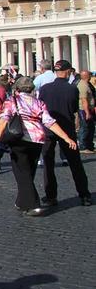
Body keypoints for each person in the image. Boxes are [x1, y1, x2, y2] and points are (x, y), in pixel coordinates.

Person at [0, 76, 77, 216]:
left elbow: (4, 120)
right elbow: (49, 122)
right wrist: (66, 137)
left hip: (19, 139)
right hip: (38, 139)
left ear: (17, 88)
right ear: (32, 89)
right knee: (29, 170)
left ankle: (33, 204)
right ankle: (22, 201)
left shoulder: (12, 101)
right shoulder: (39, 103)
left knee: (22, 172)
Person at [38, 60, 92, 207]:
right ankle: (84, 195)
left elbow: (41, 108)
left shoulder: (45, 89)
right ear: (68, 72)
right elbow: (74, 108)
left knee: (48, 164)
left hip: (49, 129)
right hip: (67, 129)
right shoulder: (71, 89)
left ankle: (51, 196)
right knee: (75, 163)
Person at [76, 69, 95, 154]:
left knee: (90, 127)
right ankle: (83, 146)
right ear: (87, 76)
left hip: (88, 109)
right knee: (84, 127)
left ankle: (89, 145)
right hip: (83, 109)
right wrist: (87, 112)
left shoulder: (86, 84)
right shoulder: (83, 85)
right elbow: (84, 100)